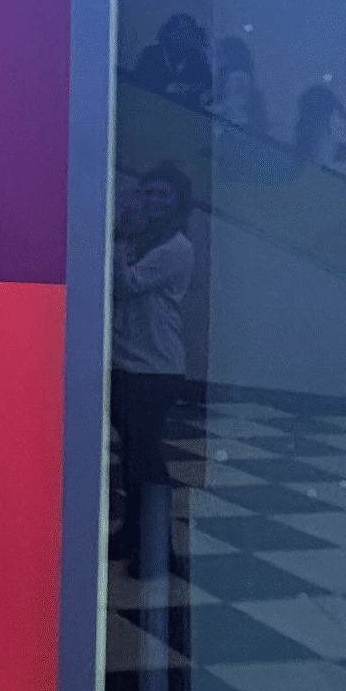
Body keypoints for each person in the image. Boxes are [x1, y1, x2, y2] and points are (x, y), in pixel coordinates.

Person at [105, 162, 194, 569]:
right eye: (149, 192)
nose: (155, 201)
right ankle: (132, 535)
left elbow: (129, 284)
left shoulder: (176, 248)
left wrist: (117, 238)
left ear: (178, 203)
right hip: (127, 359)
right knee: (131, 455)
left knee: (145, 456)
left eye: (164, 195)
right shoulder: (142, 240)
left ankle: (160, 549)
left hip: (156, 367)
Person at [130, 13, 214, 107]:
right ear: (169, 32)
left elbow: (208, 86)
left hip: (188, 113)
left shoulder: (196, 57)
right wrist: (166, 88)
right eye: (182, 31)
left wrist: (192, 90)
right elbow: (138, 87)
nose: (186, 36)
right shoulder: (151, 54)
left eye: (190, 31)